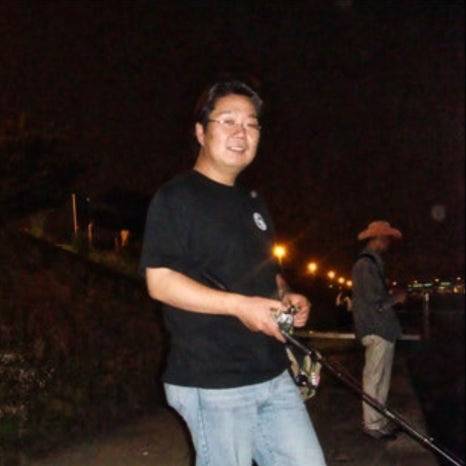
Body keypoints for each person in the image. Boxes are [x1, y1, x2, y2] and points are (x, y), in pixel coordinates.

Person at [140, 80, 326, 466]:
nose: (242, 132)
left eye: (251, 124)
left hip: (271, 371)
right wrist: (239, 306)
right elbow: (160, 281)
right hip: (213, 380)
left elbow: (269, 274)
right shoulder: (176, 197)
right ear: (200, 132)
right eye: (228, 121)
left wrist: (287, 296)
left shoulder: (253, 203)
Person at [351, 220, 407, 440]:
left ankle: (378, 421)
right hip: (377, 329)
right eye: (387, 238)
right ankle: (373, 424)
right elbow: (375, 302)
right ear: (378, 239)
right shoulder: (366, 265)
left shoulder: (370, 263)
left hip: (381, 329)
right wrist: (396, 298)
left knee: (380, 379)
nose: (389, 243)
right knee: (374, 379)